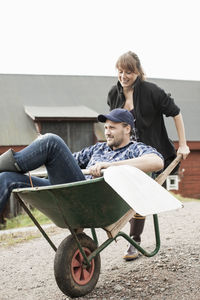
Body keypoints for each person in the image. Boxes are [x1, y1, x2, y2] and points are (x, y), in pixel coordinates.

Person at [0, 108, 164, 215]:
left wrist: (110, 166)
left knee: (51, 141)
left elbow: (156, 162)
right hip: (71, 191)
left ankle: (10, 161)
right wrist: (39, 147)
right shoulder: (98, 149)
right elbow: (65, 160)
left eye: (112, 128)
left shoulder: (134, 149)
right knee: (7, 177)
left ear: (127, 129)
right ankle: (9, 165)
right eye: (106, 128)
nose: (107, 132)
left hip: (90, 201)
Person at [107, 51, 190, 261]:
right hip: (126, 154)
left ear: (138, 72)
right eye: (120, 71)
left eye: (128, 72)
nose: (123, 76)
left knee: (139, 191)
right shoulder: (113, 94)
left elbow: (176, 112)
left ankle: (133, 240)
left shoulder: (152, 92)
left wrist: (183, 145)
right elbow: (113, 124)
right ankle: (117, 225)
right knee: (118, 187)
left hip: (152, 154)